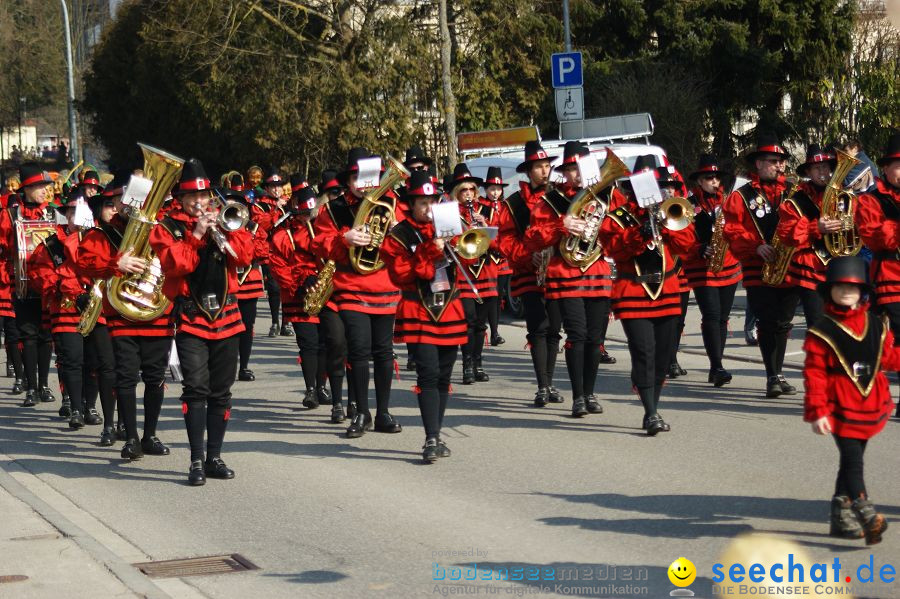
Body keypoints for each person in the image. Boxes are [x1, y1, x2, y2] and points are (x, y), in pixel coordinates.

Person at [149, 158, 253, 486]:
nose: (199, 203)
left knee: (221, 391)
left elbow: (246, 257)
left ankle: (214, 457)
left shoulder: (224, 221)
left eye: (204, 197)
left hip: (228, 317)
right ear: (179, 200)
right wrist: (195, 234)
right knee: (196, 389)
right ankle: (195, 460)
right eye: (192, 198)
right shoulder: (166, 228)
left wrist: (224, 231)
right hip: (191, 318)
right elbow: (176, 264)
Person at [77, 170, 175, 457]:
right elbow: (85, 263)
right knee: (127, 376)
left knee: (156, 376)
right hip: (122, 314)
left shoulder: (163, 227)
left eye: (136, 198)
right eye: (122, 199)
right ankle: (131, 437)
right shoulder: (102, 233)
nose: (130, 204)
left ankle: (150, 435)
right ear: (116, 203)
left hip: (157, 312)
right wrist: (115, 263)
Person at [803, 256, 896, 545]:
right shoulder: (822, 330)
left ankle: (839, 517)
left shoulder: (876, 323)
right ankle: (866, 513)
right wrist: (818, 411)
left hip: (869, 401)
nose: (846, 292)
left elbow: (888, 357)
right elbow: (814, 374)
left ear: (863, 292)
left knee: (850, 461)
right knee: (853, 462)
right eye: (840, 287)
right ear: (829, 291)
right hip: (839, 405)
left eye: (852, 288)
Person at [311, 148, 403, 438]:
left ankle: (383, 411)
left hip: (385, 286)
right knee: (360, 351)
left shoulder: (392, 204)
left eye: (369, 178)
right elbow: (319, 245)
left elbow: (407, 241)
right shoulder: (334, 209)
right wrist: (344, 238)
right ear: (349, 180)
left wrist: (396, 232)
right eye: (357, 178)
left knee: (384, 352)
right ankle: (361, 412)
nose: (363, 184)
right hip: (351, 287)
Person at [599, 165, 696, 434]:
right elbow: (613, 249)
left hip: (667, 291)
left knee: (664, 357)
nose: (655, 193)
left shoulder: (672, 212)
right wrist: (639, 232)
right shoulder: (617, 217)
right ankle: (651, 413)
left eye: (659, 187)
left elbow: (687, 247)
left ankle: (651, 398)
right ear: (633, 190)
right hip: (632, 292)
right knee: (645, 352)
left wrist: (666, 224)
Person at [382, 170, 468, 462]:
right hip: (419, 310)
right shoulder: (398, 236)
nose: (429, 208)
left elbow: (471, 256)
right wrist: (429, 252)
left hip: (450, 307)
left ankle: (437, 433)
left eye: (432, 201)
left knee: (444, 376)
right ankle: (431, 437)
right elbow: (403, 275)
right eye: (422, 203)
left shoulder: (448, 225)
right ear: (411, 204)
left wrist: (466, 242)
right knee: (428, 374)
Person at [523, 142, 613, 416]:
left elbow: (620, 228)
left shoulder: (607, 195)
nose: (577, 174)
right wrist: (562, 225)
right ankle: (577, 396)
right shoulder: (550, 200)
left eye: (581, 168)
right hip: (565, 274)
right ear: (565, 171)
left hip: (597, 271)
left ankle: (590, 391)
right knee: (577, 334)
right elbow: (532, 236)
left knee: (596, 338)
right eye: (572, 169)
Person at [29, 189, 115, 434]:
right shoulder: (52, 245)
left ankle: (90, 407)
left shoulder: (100, 239)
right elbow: (40, 274)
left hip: (96, 306)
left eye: (80, 211)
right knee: (73, 360)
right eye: (70, 211)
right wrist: (70, 289)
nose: (75, 216)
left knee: (95, 361)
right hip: (66, 308)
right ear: (65, 215)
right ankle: (76, 408)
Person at [723, 132, 799, 398]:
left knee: (784, 322)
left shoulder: (794, 191)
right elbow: (732, 230)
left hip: (789, 265)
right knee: (767, 321)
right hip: (759, 267)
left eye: (781, 161)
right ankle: (771, 376)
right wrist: (756, 245)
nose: (779, 166)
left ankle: (778, 373)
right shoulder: (741, 196)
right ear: (758, 164)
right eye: (772, 161)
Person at [497, 141, 563, 407]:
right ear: (528, 171)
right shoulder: (513, 203)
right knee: (538, 327)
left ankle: (550, 381)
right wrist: (528, 255)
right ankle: (542, 385)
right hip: (528, 271)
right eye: (539, 167)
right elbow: (504, 240)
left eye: (547, 166)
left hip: (557, 270)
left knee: (555, 330)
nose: (545, 171)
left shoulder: (558, 196)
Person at [269, 180, 335, 414]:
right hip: (298, 296)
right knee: (308, 344)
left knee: (326, 343)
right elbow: (278, 265)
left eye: (312, 214)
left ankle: (322, 386)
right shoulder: (284, 234)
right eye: (304, 215)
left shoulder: (326, 230)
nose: (308, 219)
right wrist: (300, 282)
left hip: (326, 293)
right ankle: (310, 389)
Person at [0, 163, 56, 406]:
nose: (45, 190)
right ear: (27, 188)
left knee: (45, 335)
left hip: (48, 283)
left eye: (46, 186)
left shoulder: (53, 213)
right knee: (28, 334)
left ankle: (44, 384)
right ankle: (31, 386)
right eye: (40, 186)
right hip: (21, 283)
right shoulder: (10, 214)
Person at [684, 154, 742, 386]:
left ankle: (717, 364)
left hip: (727, 264)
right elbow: (681, 235)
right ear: (699, 181)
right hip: (702, 267)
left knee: (723, 318)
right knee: (711, 315)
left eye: (717, 177)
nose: (715, 181)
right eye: (709, 178)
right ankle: (716, 365)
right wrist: (698, 248)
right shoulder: (688, 204)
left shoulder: (728, 200)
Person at [856, 131, 900, 418]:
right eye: (898, 166)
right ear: (884, 168)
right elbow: (875, 237)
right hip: (890, 278)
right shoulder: (871, 200)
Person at [774, 144, 840, 330]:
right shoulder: (796, 200)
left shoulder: (841, 196)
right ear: (809, 172)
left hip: (837, 267)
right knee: (818, 325)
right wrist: (816, 227)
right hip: (809, 269)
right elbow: (788, 235)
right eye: (817, 168)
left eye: (826, 167)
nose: (823, 172)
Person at [449, 163, 497, 384]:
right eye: (463, 190)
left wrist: (484, 225)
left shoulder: (486, 210)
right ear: (456, 193)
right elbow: (446, 243)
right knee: (468, 321)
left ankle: (478, 363)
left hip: (485, 270)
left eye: (471, 190)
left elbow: (498, 240)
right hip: (463, 271)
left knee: (480, 322)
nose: (468, 194)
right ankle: (467, 364)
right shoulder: (450, 213)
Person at [251, 167, 290, 337]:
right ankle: (275, 322)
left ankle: (286, 323)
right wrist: (276, 210)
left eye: (279, 186)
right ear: (266, 188)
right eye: (273, 186)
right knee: (274, 288)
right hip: (268, 251)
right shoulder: (259, 205)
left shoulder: (289, 203)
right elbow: (262, 225)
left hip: (287, 251)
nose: (276, 189)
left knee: (287, 287)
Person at [481, 167, 507, 346]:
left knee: (499, 296)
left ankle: (495, 331)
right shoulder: (481, 207)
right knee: (489, 296)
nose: (495, 192)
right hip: (488, 257)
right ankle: (489, 331)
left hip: (504, 257)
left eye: (498, 189)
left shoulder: (506, 206)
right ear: (486, 190)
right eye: (492, 189)